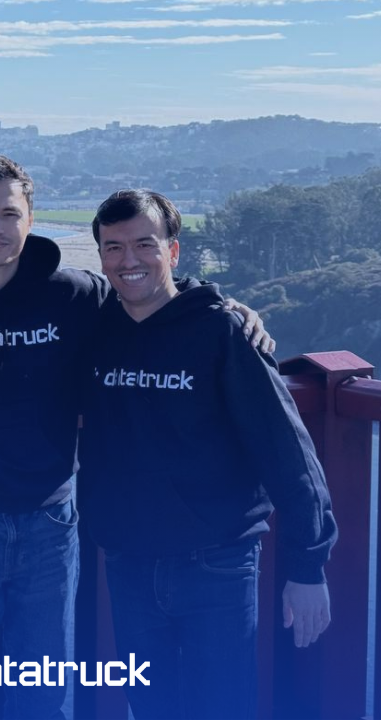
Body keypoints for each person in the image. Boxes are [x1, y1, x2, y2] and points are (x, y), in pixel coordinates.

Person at [0, 156, 271, 720]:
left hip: (49, 524)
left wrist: (221, 306)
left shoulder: (75, 295)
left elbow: (148, 292)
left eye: (9, 214)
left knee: (39, 694)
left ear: (30, 218)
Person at [80, 188, 337, 720]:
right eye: (113, 248)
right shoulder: (96, 329)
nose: (128, 260)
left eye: (145, 244)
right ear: (100, 256)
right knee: (149, 707)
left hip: (216, 566)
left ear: (173, 251)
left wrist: (308, 567)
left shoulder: (223, 331)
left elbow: (288, 452)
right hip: (128, 565)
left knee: (221, 708)